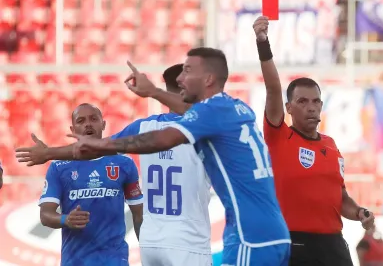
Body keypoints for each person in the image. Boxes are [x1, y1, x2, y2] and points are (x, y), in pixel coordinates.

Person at [42, 48, 291, 265]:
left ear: (207, 79)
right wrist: (154, 92)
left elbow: (160, 139)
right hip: (222, 236)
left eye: (188, 71)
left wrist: (51, 152)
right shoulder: (237, 109)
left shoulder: (169, 123)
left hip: (211, 237)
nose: (182, 78)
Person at [18, 65, 214, 266]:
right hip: (189, 241)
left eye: (94, 119)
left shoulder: (142, 128)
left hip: (152, 243)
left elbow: (95, 149)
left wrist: (48, 152)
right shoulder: (207, 130)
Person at [253, 16, 375, 266]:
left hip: (333, 245)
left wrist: (360, 213)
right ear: (288, 108)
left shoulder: (330, 145)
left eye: (316, 101)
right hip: (294, 244)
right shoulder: (279, 136)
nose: (311, 107)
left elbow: (341, 199)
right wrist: (263, 43)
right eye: (302, 102)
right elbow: (273, 88)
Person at [38, 103, 144, 266]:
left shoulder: (124, 163)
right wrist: (66, 219)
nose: (88, 124)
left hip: (114, 260)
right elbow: (45, 215)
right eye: (81, 121)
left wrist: (147, 252)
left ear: (103, 124)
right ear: (73, 130)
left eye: (93, 119)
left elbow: (139, 215)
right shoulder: (59, 167)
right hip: (75, 261)